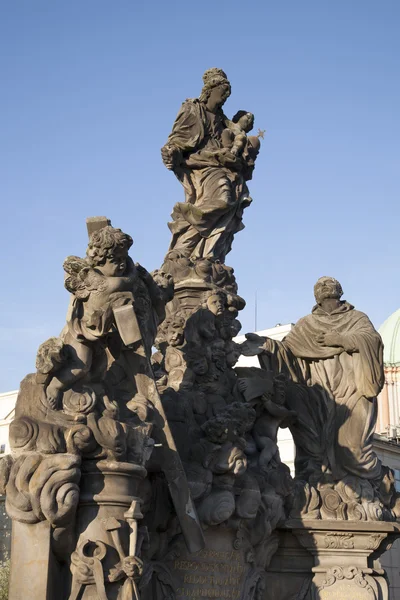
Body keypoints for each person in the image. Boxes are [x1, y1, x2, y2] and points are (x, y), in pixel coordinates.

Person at [240, 276, 384, 483]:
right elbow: (287, 351)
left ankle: (372, 491)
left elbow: (372, 341)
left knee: (354, 450)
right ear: (315, 296)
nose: (324, 285)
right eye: (320, 285)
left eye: (329, 283)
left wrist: (342, 340)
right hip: (318, 395)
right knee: (314, 451)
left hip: (352, 390)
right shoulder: (307, 324)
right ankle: (319, 493)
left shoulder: (357, 318)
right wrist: (267, 346)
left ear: (339, 291)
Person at [161, 68, 259, 263]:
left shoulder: (223, 120)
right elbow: (178, 139)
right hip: (204, 165)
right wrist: (172, 151)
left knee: (231, 208)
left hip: (226, 167)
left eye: (227, 96)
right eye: (222, 93)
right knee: (223, 200)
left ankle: (208, 256)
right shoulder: (193, 109)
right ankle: (183, 243)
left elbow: (236, 143)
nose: (224, 99)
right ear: (210, 90)